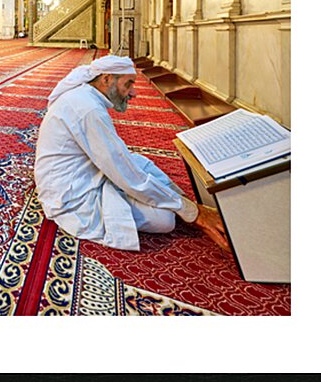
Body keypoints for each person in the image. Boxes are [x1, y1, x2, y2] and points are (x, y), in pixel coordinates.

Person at [34, 54, 229, 252]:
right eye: (128, 84)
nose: (133, 93)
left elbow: (122, 164)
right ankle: (181, 206)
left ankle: (178, 201)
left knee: (141, 163)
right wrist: (193, 214)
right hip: (72, 194)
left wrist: (183, 205)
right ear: (106, 79)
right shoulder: (88, 109)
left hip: (82, 173)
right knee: (164, 220)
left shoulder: (85, 97)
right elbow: (126, 175)